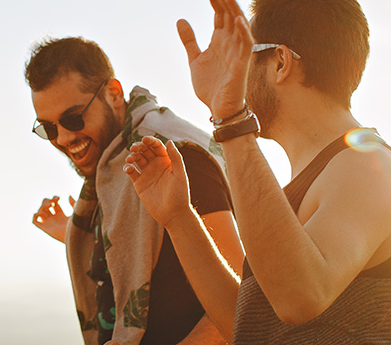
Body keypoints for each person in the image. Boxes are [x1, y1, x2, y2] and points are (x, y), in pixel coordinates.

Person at [123, 0, 391, 344]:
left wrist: (229, 118)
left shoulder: (369, 166)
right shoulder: (319, 178)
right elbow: (251, 327)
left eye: (244, 57)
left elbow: (300, 297)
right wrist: (179, 218)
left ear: (280, 62)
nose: (233, 72)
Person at [26, 37, 243, 345]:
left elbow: (241, 294)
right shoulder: (115, 168)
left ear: (113, 94)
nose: (62, 137)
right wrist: (77, 232)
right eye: (47, 128)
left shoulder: (175, 158)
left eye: (73, 118)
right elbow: (147, 249)